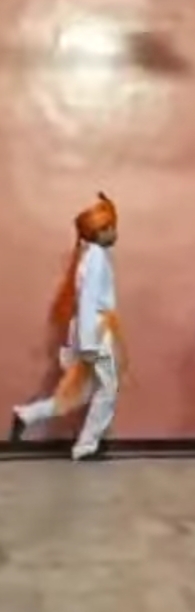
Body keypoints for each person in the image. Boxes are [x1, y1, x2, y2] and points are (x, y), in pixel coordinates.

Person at [11, 194, 122, 460]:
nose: (115, 233)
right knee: (107, 389)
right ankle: (86, 446)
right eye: (110, 228)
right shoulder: (95, 257)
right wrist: (90, 344)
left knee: (80, 392)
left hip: (91, 331)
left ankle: (27, 415)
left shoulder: (92, 255)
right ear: (100, 231)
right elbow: (88, 301)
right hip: (95, 332)